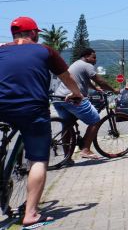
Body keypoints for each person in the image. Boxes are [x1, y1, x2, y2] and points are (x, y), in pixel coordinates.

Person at [0, 16, 83, 228]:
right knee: (38, 159)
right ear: (34, 33)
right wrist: (76, 94)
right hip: (32, 109)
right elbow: (66, 77)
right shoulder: (45, 51)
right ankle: (30, 215)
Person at [52, 48, 120, 159]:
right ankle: (86, 149)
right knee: (95, 120)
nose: (95, 60)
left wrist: (96, 88)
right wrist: (113, 90)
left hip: (59, 99)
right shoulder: (87, 65)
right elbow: (101, 81)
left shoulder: (76, 64)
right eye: (94, 57)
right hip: (73, 98)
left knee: (67, 126)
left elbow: (85, 82)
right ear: (86, 56)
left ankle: (67, 158)